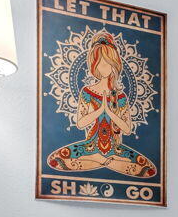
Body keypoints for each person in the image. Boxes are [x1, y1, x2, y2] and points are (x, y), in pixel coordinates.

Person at [46, 32, 157, 178]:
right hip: (90, 147)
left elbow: (127, 129)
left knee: (145, 169)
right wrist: (100, 110)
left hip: (115, 149)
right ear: (94, 66)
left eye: (106, 63)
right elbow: (80, 123)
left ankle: (103, 161)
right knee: (57, 160)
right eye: (98, 63)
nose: (102, 67)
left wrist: (110, 112)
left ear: (114, 66)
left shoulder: (120, 96)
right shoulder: (87, 91)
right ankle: (104, 160)